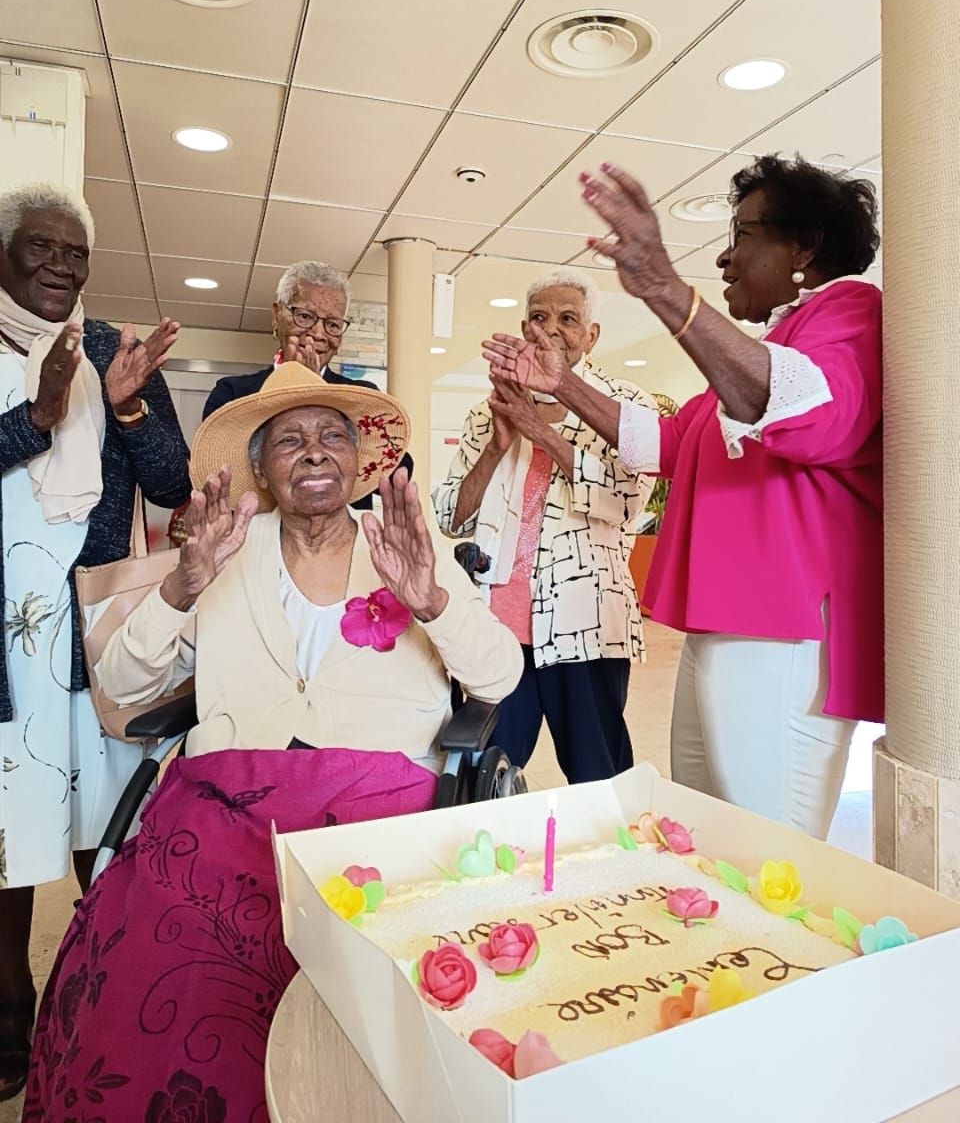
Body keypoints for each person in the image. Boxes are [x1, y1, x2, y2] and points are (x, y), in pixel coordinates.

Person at [23, 365, 521, 1122]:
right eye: (289, 440)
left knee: (359, 970)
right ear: (259, 468)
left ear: (359, 462)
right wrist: (180, 586)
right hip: (223, 806)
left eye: (331, 437)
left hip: (378, 807)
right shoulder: (222, 547)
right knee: (156, 961)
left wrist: (432, 601)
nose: (313, 452)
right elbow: (120, 694)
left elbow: (499, 679)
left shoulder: (412, 546)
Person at [483, 156, 882, 840]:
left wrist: (664, 288)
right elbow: (663, 444)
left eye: (745, 235)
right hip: (730, 621)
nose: (726, 257)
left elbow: (805, 410)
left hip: (784, 623)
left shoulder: (850, 311)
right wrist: (563, 385)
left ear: (804, 246)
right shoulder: (770, 343)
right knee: (708, 830)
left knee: (766, 847)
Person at [0, 182, 191, 1100]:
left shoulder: (114, 348)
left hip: (93, 634)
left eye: (76, 253)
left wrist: (123, 408)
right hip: (7, 643)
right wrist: (32, 421)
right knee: (9, 835)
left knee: (104, 833)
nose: (62, 267)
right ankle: (8, 1013)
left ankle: (107, 991)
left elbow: (173, 483)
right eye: (43, 247)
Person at [433, 269, 655, 786]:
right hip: (498, 625)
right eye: (539, 317)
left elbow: (624, 500)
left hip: (586, 625)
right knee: (484, 770)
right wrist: (500, 443)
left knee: (598, 769)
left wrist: (539, 431)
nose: (550, 329)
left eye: (568, 319)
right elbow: (450, 515)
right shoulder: (488, 411)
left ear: (592, 335)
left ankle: (615, 863)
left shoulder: (624, 405)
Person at [202, 259, 412, 509]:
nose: (319, 334)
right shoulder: (233, 393)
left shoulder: (360, 396)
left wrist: (316, 388)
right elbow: (217, 472)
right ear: (276, 316)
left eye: (333, 324)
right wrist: (294, 384)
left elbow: (399, 473)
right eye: (304, 316)